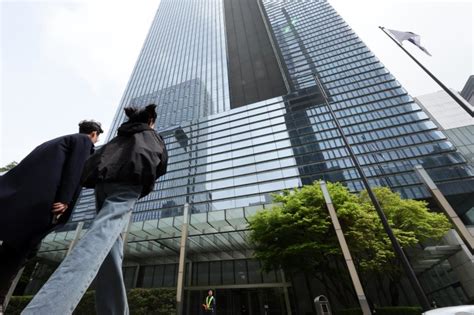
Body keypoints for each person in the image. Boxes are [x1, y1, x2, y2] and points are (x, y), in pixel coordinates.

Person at [22, 104, 168, 315]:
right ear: (151, 120)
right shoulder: (151, 134)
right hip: (129, 183)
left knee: (110, 248)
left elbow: (99, 159)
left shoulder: (121, 136)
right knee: (99, 237)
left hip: (103, 184)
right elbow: (160, 163)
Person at [0, 120, 103, 307]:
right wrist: (65, 199)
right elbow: (75, 170)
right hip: (43, 203)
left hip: (23, 201)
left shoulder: (55, 142)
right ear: (94, 134)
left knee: (15, 249)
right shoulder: (83, 142)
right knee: (23, 251)